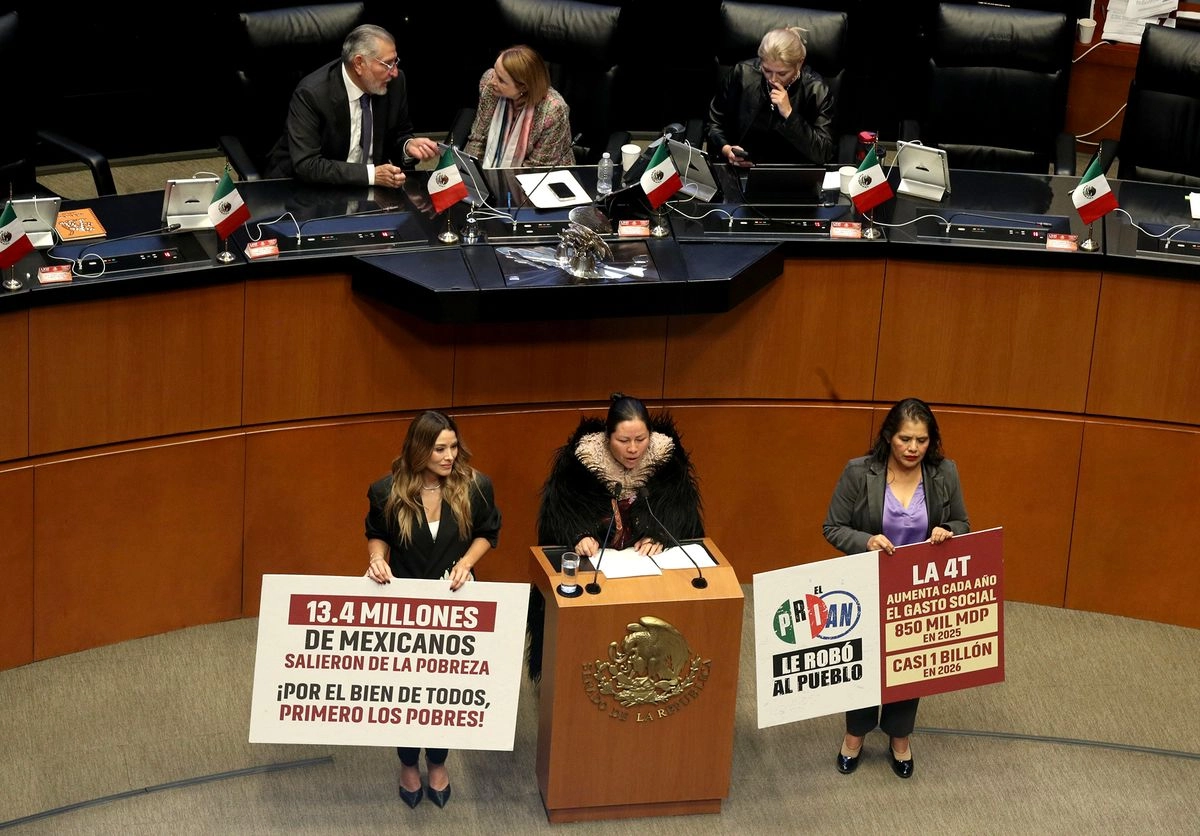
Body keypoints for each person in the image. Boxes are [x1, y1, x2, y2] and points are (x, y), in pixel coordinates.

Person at [822, 397, 970, 780]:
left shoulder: (945, 473)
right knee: (864, 660)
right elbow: (833, 527)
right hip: (866, 583)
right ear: (889, 436)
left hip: (918, 588)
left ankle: (899, 737)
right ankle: (855, 734)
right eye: (905, 439)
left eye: (922, 440)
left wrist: (947, 531)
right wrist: (867, 541)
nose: (913, 448)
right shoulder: (859, 472)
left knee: (909, 661)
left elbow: (962, 523)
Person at [364, 410, 502, 809]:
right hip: (406, 606)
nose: (449, 456)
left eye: (453, 446)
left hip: (456, 603)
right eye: (440, 449)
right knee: (407, 691)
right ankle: (408, 763)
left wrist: (466, 563)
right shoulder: (386, 491)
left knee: (446, 689)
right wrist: (377, 559)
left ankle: (438, 761)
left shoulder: (476, 486)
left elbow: (488, 532)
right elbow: (376, 534)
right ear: (419, 449)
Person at [527, 394, 704, 680]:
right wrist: (578, 534)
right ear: (607, 437)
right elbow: (558, 520)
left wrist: (661, 534)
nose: (633, 449)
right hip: (596, 577)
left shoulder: (668, 463)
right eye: (623, 440)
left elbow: (683, 520)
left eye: (641, 439)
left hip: (646, 574)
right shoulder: (580, 464)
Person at [266, 24, 441, 186]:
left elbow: (399, 134)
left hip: (371, 190)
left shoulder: (394, 83)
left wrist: (408, 147)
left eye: (395, 61)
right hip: (307, 188)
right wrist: (371, 175)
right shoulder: (312, 94)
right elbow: (307, 165)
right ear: (359, 63)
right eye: (387, 64)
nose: (394, 72)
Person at [706, 26, 835, 167]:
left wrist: (789, 115)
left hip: (792, 172)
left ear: (799, 63)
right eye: (767, 70)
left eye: (782, 73)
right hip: (740, 169)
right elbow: (713, 123)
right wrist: (726, 149)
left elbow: (824, 153)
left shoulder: (817, 90)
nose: (773, 79)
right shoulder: (742, 74)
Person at [464, 45, 576, 169]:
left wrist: (496, 180)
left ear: (523, 87)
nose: (492, 81)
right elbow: (478, 140)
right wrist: (471, 172)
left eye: (501, 80)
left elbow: (536, 168)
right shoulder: (488, 84)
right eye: (495, 70)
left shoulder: (553, 111)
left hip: (542, 174)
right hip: (491, 171)